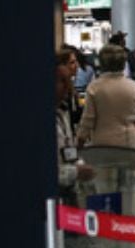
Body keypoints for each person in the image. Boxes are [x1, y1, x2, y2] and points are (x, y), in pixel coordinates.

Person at [77, 44, 135, 150]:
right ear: (123, 64)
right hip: (132, 144)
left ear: (101, 63)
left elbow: (87, 120)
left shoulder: (94, 88)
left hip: (103, 145)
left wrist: (79, 144)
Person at [56, 57, 93, 202]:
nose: (67, 87)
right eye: (62, 82)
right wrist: (75, 171)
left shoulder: (62, 114)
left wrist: (79, 164)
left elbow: (69, 150)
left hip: (70, 190)